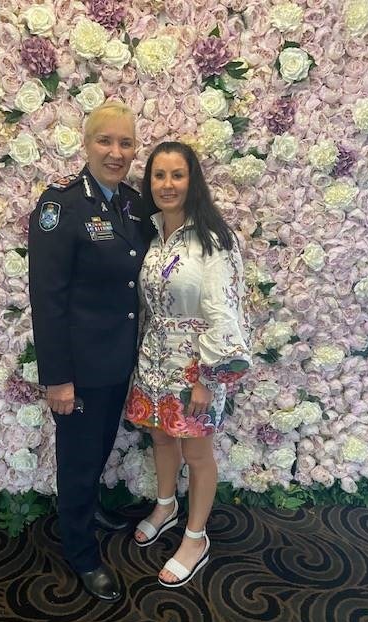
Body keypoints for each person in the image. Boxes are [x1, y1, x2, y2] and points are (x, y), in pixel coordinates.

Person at [28, 101, 146, 602]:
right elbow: (47, 297)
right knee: (77, 461)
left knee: (97, 449)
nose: (115, 152)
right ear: (86, 143)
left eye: (125, 143)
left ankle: (88, 506)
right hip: (77, 368)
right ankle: (79, 550)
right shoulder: (61, 207)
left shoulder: (134, 204)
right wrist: (57, 378)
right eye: (106, 141)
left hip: (117, 360)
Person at [125, 141, 251, 588]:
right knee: (161, 439)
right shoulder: (154, 234)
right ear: (149, 183)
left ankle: (196, 538)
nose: (167, 184)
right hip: (153, 358)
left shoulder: (214, 238)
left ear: (192, 180)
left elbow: (225, 311)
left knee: (196, 452)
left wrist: (207, 379)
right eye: (159, 175)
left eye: (177, 174)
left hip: (195, 370)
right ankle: (166, 505)